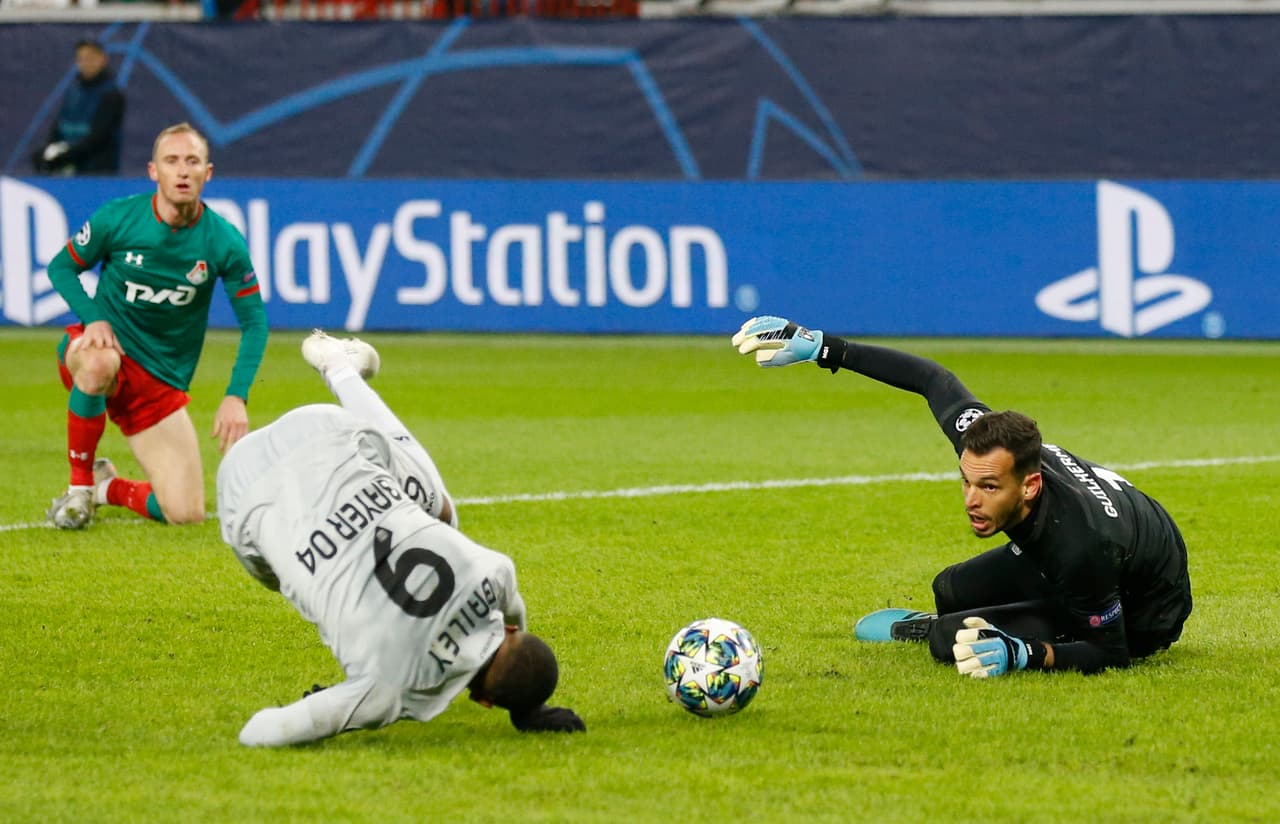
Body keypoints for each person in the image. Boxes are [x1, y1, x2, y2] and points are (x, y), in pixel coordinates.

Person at [731, 316, 1193, 678]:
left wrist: (1027, 654)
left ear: (1030, 485)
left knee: (954, 636)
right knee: (950, 589)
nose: (972, 499)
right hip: (1102, 548)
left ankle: (934, 629)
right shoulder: (996, 445)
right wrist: (824, 346)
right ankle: (958, 615)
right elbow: (932, 379)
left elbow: (1110, 651)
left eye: (988, 488)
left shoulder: (1082, 544)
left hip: (1145, 607)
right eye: (966, 482)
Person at [215, 331, 585, 746]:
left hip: (322, 428)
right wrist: (345, 702)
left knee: (442, 513)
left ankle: (341, 370)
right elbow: (256, 734)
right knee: (287, 574)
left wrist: (523, 692)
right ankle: (339, 365)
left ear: (513, 634)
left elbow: (512, 607)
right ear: (482, 700)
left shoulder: (496, 573)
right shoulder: (389, 689)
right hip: (240, 490)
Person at [44, 122, 268, 529]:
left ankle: (104, 488)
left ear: (207, 173)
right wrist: (93, 316)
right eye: (172, 161)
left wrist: (237, 396)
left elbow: (255, 323)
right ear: (154, 171)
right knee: (97, 364)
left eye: (192, 161)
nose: (182, 171)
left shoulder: (223, 242)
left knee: (185, 513)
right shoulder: (119, 218)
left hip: (159, 382)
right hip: (100, 354)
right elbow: (61, 267)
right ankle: (78, 489)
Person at [32, 39, 126, 175]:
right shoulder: (73, 91)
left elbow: (99, 138)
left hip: (98, 174)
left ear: (103, 59)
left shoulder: (112, 94)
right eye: (81, 59)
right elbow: (59, 126)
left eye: (91, 58)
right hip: (69, 171)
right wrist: (47, 152)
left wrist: (65, 157)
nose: (86, 63)